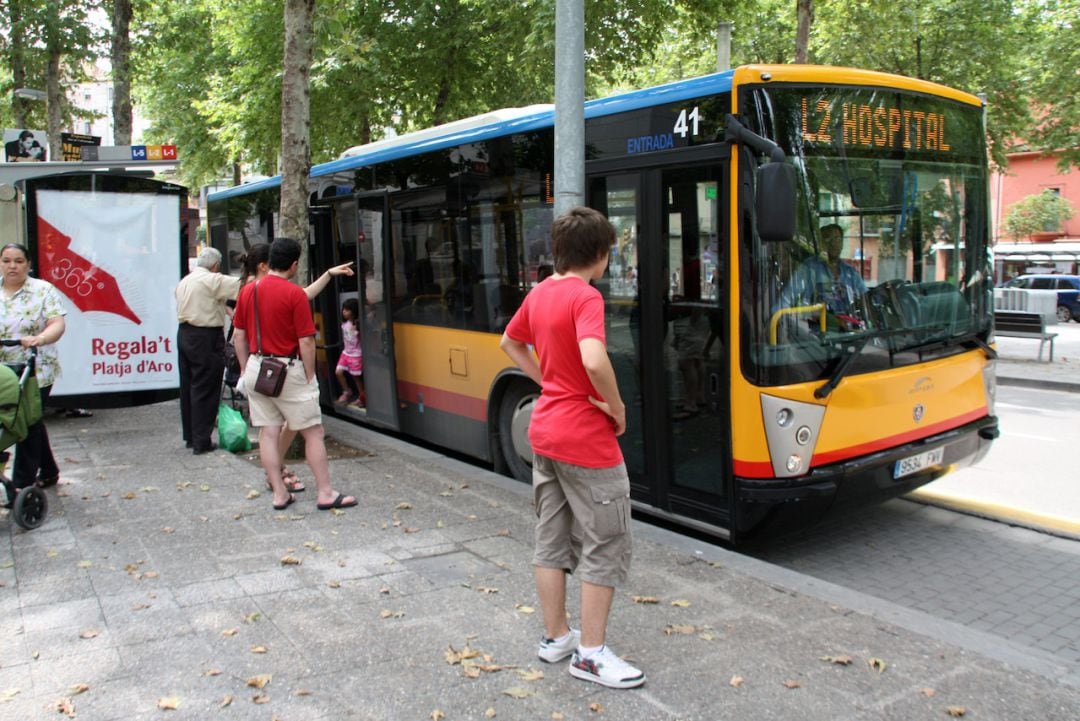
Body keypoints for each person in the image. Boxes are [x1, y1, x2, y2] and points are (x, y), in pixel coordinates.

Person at [500, 206, 645, 690]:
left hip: (544, 431)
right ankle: (591, 654)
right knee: (607, 539)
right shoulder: (585, 297)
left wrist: (550, 382)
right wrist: (616, 406)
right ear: (602, 255)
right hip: (585, 436)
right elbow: (593, 356)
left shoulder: (540, 292)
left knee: (552, 536)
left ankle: (556, 637)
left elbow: (510, 343)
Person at [232, 238, 357, 512]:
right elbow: (307, 341)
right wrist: (310, 375)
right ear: (294, 264)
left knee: (267, 432)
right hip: (287, 370)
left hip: (257, 369)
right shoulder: (294, 294)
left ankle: (279, 493)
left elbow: (238, 337)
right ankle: (325, 493)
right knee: (313, 432)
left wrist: (245, 369)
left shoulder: (247, 291)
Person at [0, 243, 65, 489]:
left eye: (18, 261)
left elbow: (57, 323)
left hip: (36, 369)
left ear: (28, 264)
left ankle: (21, 484)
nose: (12, 266)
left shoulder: (42, 290)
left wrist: (41, 338)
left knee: (25, 421)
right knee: (30, 418)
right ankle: (48, 469)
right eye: (7, 261)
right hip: (3, 372)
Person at [175, 247, 242, 454]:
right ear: (215, 265)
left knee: (189, 386)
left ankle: (191, 436)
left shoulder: (185, 280)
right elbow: (243, 287)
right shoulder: (212, 279)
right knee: (205, 387)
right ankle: (202, 440)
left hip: (185, 334)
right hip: (205, 336)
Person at [779, 223, 867, 330]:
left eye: (837, 239)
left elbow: (865, 299)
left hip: (847, 331)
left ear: (842, 243)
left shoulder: (850, 272)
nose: (834, 243)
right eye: (828, 239)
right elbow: (786, 299)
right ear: (821, 244)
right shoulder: (809, 268)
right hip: (817, 334)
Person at [335, 298, 364, 406]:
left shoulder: (358, 326)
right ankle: (347, 391)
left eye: (347, 310)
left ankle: (362, 397)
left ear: (353, 311)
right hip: (346, 353)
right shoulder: (345, 323)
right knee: (338, 372)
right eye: (344, 309)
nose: (344, 312)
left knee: (356, 378)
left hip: (356, 355)